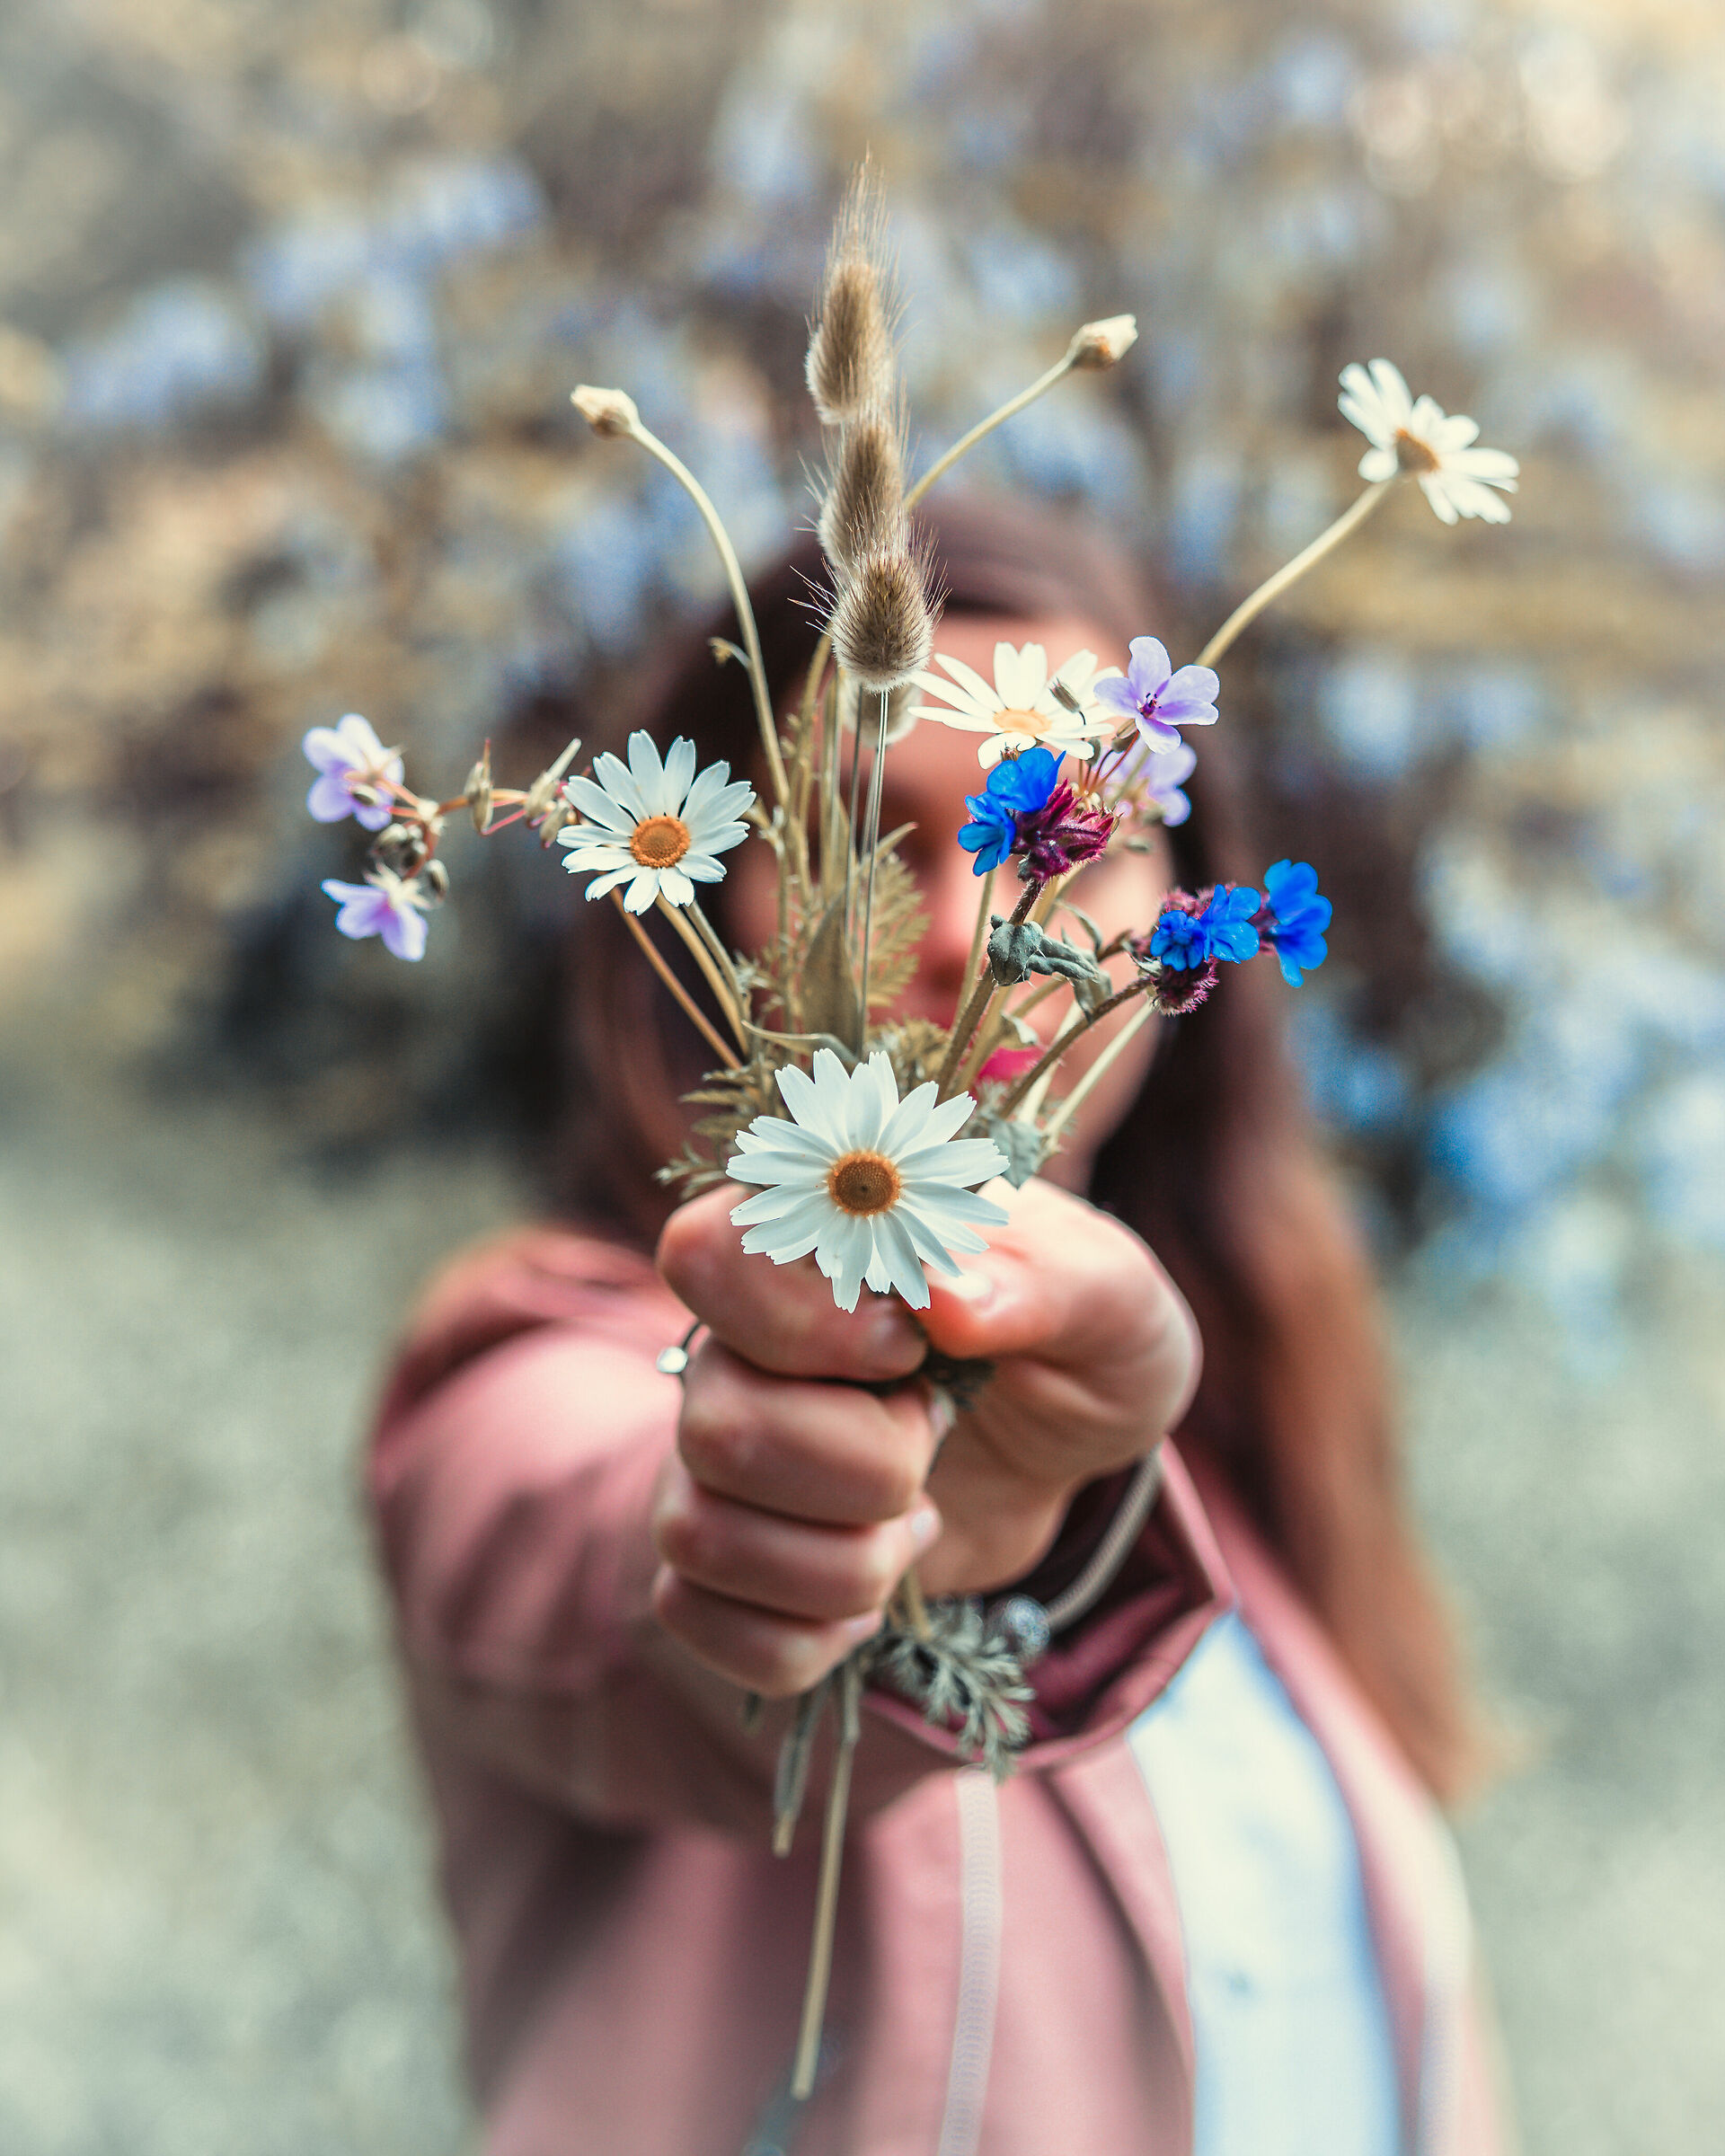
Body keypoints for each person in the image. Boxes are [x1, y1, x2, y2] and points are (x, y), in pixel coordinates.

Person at [368, 498, 1510, 2154]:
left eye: (1070, 842)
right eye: (868, 840)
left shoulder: (1235, 1428)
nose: (978, 931)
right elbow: (603, 1555)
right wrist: (806, 1529)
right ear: (711, 900)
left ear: (1186, 916)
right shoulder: (535, 1363)